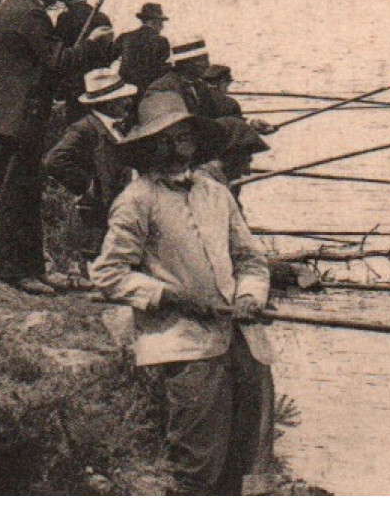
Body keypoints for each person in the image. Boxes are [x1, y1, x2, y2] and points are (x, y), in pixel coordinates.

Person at [91, 90, 274, 496]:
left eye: (184, 137)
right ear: (148, 147)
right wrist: (175, 298)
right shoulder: (137, 200)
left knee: (244, 462)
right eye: (165, 139)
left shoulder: (216, 193)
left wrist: (249, 298)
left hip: (242, 343)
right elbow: (109, 273)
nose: (177, 148)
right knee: (196, 466)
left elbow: (250, 260)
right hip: (185, 347)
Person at [0, 0, 115, 296]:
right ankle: (16, 271)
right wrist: (94, 46)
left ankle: (30, 266)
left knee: (20, 192)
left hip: (2, 116)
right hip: (20, 119)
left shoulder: (2, 10)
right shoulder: (31, 15)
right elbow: (59, 61)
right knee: (19, 195)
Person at [42, 67, 138, 268]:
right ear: (106, 102)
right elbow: (54, 160)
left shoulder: (117, 127)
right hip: (98, 212)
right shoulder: (85, 128)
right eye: (122, 99)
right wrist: (86, 184)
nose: (128, 103)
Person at [53, 0, 114, 122]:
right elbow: (110, 50)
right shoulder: (101, 17)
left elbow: (58, 51)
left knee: (75, 116)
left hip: (75, 76)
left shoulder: (65, 18)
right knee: (97, 116)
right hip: (98, 77)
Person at [116, 2, 171, 92]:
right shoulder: (161, 41)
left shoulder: (124, 37)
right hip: (149, 91)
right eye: (161, 23)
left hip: (126, 92)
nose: (162, 27)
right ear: (154, 22)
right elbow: (162, 69)